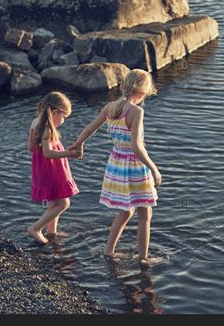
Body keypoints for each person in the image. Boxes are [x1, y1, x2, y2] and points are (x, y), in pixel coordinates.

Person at [69, 69, 162, 263]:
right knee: (145, 212)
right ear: (143, 90)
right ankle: (143, 258)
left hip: (116, 164)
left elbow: (89, 128)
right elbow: (137, 147)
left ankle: (109, 251)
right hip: (134, 166)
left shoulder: (110, 107)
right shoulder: (136, 111)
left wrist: (78, 144)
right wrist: (154, 168)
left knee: (126, 211)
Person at [27, 92, 80, 244]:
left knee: (53, 202)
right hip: (52, 170)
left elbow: (30, 147)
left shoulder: (35, 123)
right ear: (55, 112)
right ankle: (36, 228)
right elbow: (49, 153)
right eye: (63, 117)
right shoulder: (47, 129)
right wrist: (69, 153)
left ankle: (51, 232)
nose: (63, 121)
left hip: (41, 168)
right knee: (64, 203)